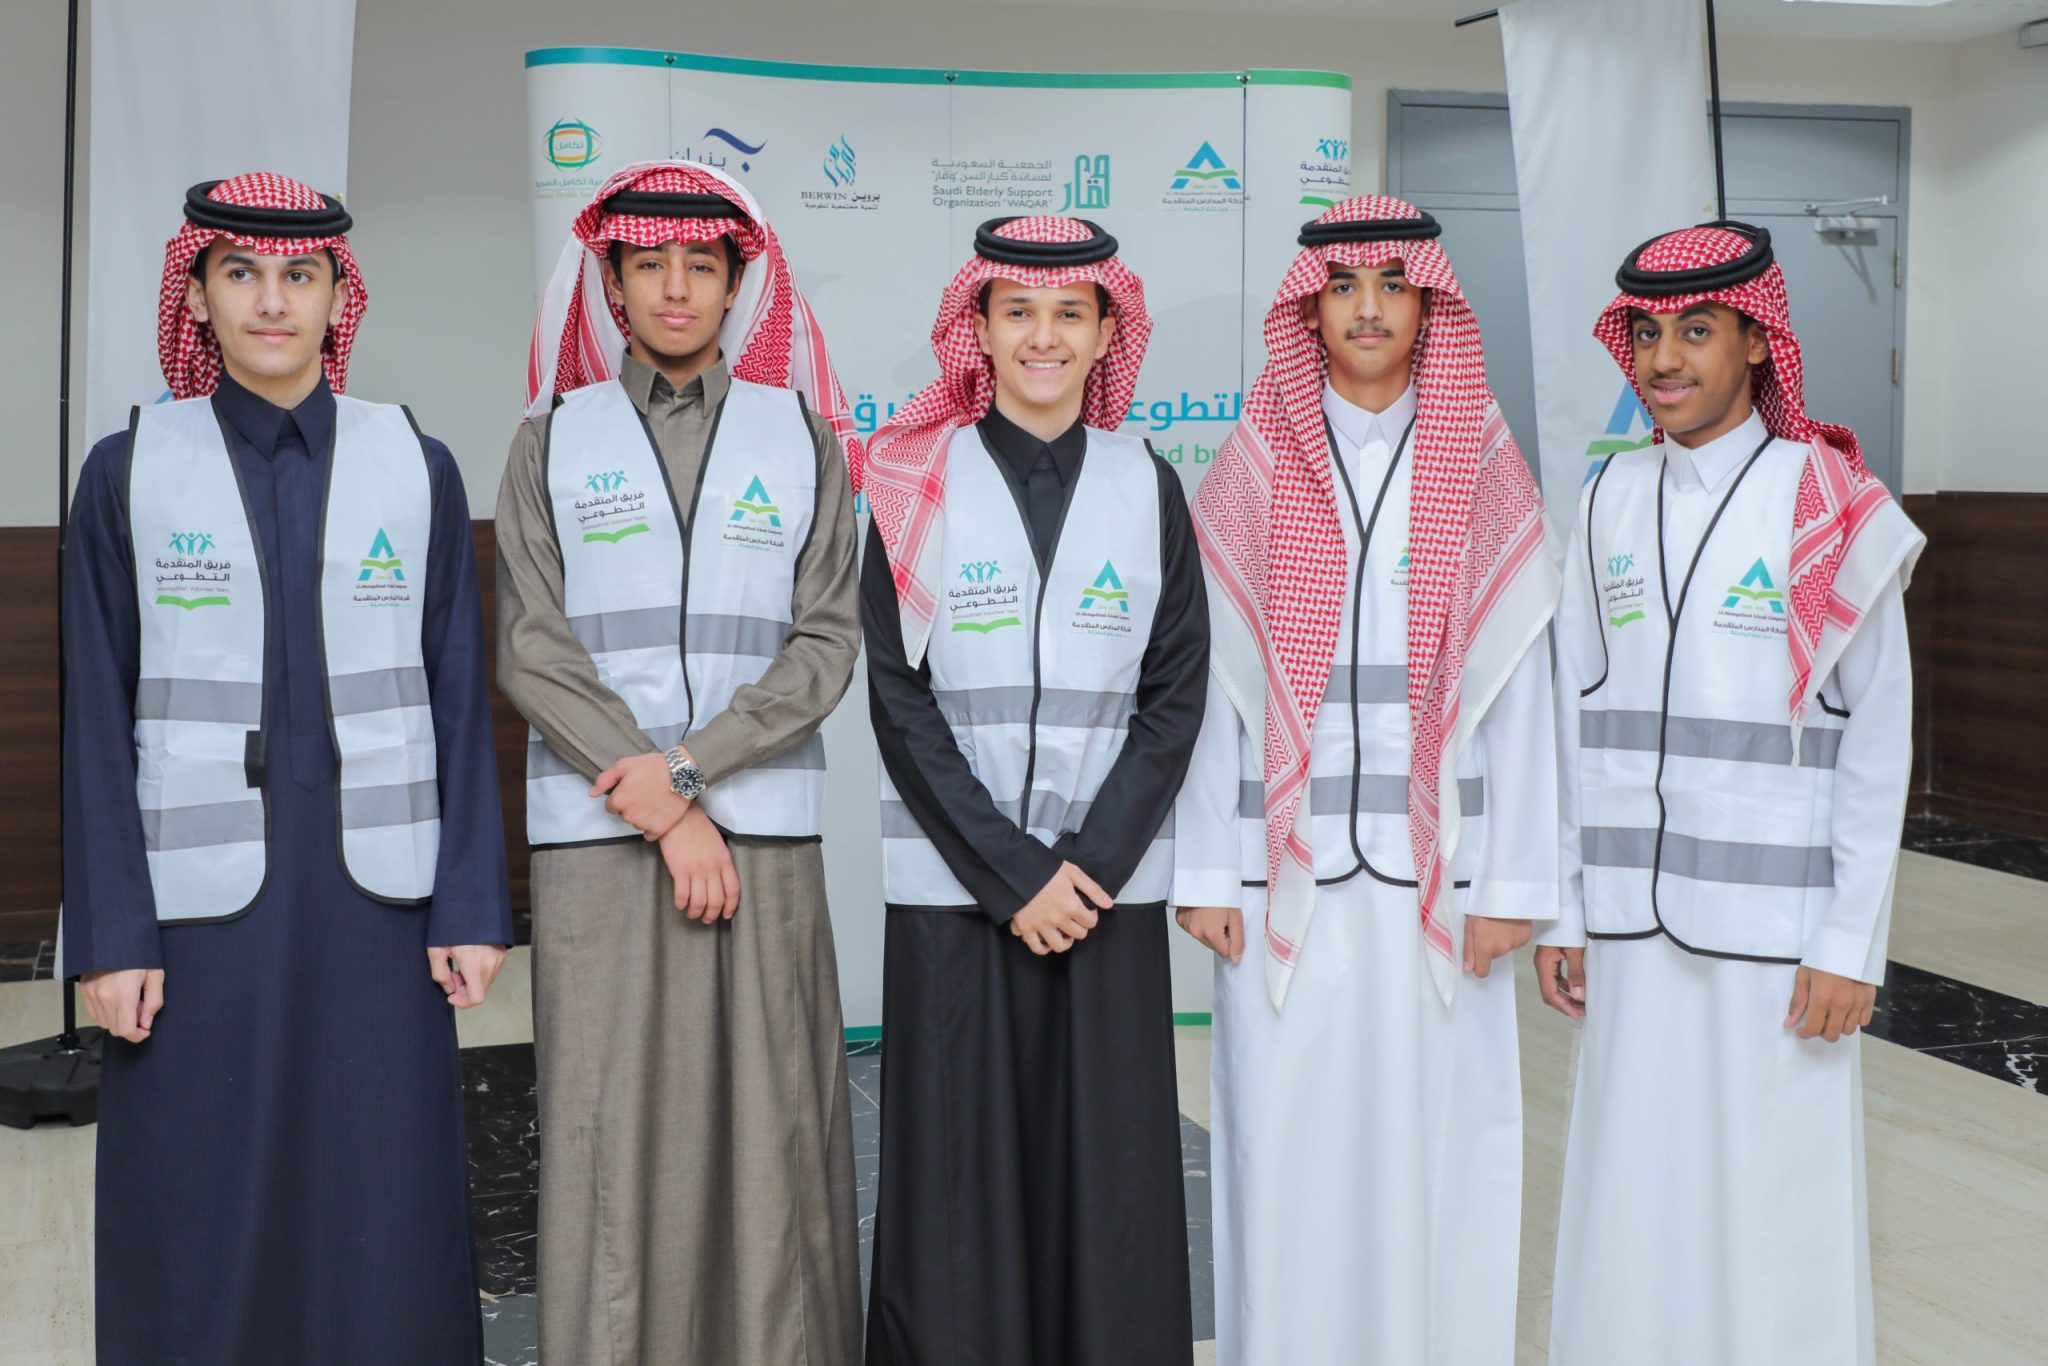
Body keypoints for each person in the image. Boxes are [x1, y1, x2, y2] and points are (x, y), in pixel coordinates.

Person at [62, 172, 511, 1363]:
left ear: (336, 296)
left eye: (299, 275)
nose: (272, 301)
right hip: (194, 912)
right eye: (242, 274)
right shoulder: (127, 470)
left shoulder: (414, 464)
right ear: (197, 296)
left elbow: (459, 694)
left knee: (382, 1198)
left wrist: (471, 904)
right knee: (198, 1197)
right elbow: (94, 720)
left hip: (382, 902)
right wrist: (110, 935)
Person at [1175, 195, 1560, 1365]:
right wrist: (1205, 871)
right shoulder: (1251, 466)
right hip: (1277, 883)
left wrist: (1514, 885)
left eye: (1392, 285)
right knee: (1281, 1148)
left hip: (1441, 882)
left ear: (1430, 305)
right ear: (1307, 310)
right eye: (1341, 287)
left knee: (1439, 1143)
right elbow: (1210, 691)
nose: (1366, 309)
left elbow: (1519, 698)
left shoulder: (1483, 468)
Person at [495, 159, 865, 1366]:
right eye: (647, 264)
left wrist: (692, 772)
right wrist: (661, 804)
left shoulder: (801, 437)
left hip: (763, 842)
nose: (673, 288)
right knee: (608, 1133)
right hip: (600, 842)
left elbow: (826, 640)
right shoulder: (551, 439)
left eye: (699, 265)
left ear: (735, 283)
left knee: (774, 1127)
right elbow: (532, 645)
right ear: (609, 282)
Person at [1535, 220, 1924, 1366]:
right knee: (1628, 1190)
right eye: (1646, 334)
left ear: (1756, 341)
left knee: (1771, 1204)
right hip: (1628, 930)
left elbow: (1876, 743)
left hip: (1777, 942)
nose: (1662, 360)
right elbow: (1572, 720)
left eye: (1695, 332)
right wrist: (1566, 907)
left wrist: (1848, 944)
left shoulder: (1831, 502)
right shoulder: (1606, 499)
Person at [859, 215, 1205, 1365]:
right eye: (1017, 312)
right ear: (979, 327)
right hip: (956, 898)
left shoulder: (1147, 485)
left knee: (1106, 1183)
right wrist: (1015, 877)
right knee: (955, 1188)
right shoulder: (911, 482)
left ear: (1106, 331)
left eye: (1068, 313)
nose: (1042, 337)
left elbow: (1174, 697)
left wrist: (1084, 871)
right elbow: (898, 702)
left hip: (1103, 897)